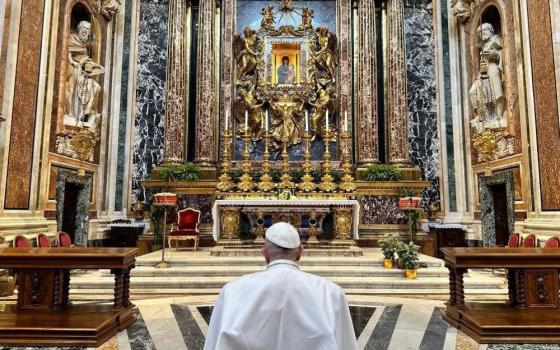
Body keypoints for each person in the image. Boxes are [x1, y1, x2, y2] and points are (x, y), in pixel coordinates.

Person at [204, 222, 357, 350]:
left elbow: (213, 343)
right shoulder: (331, 293)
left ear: (264, 253)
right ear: (300, 252)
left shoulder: (232, 291)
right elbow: (346, 344)